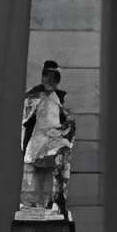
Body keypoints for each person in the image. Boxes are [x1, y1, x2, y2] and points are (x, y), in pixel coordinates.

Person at [19, 60, 76, 218]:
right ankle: (38, 204)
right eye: (47, 76)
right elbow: (25, 121)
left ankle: (56, 200)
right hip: (39, 140)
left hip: (54, 139)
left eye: (53, 77)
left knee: (59, 159)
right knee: (36, 180)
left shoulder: (60, 97)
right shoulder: (34, 95)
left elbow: (69, 120)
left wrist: (64, 130)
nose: (49, 80)